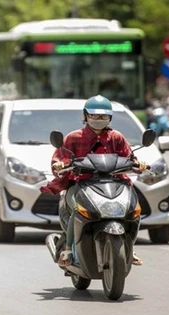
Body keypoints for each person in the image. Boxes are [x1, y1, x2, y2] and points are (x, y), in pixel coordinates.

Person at [40, 95, 148, 267]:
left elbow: (130, 158)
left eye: (103, 116)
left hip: (115, 183)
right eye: (95, 116)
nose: (99, 120)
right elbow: (59, 160)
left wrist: (139, 164)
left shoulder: (117, 137)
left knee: (133, 209)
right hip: (82, 184)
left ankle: (129, 247)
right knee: (77, 210)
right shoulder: (73, 137)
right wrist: (60, 164)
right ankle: (68, 249)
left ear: (110, 118)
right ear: (86, 116)